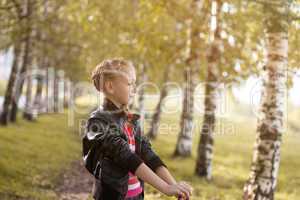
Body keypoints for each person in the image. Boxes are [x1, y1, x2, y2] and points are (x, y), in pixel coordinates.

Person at [82, 58, 193, 200]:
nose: (135, 88)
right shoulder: (98, 122)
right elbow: (126, 157)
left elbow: (147, 153)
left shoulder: (131, 120)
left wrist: (174, 185)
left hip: (137, 196)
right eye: (130, 83)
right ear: (110, 86)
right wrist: (166, 188)